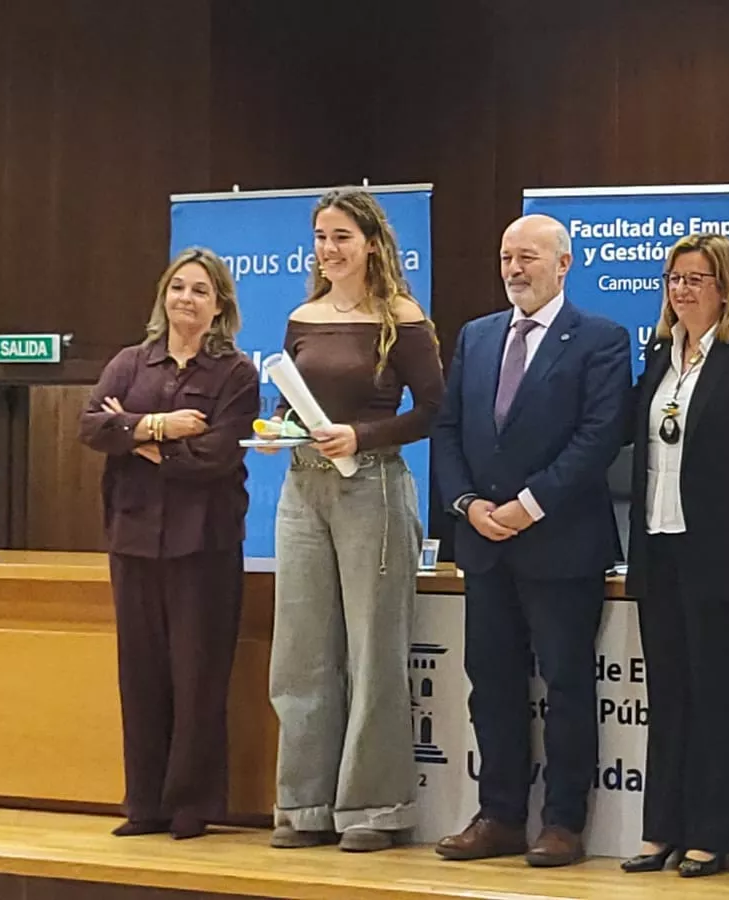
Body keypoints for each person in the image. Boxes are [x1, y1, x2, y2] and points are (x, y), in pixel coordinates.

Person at [429, 213, 631, 868]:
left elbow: (599, 436)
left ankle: (564, 822)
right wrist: (468, 506)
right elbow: (449, 428)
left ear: (564, 264)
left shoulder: (600, 338)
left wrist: (528, 506)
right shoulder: (478, 336)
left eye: (528, 257)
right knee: (491, 682)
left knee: (567, 684)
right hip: (485, 542)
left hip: (561, 542)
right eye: (506, 257)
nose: (514, 269)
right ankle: (500, 815)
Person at [266, 188, 445, 853]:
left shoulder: (400, 315)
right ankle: (305, 804)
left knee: (373, 650)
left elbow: (433, 409)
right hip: (302, 488)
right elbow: (291, 403)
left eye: (341, 236)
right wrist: (276, 431)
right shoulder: (302, 316)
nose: (328, 249)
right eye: (319, 237)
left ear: (370, 242)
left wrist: (362, 437)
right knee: (302, 651)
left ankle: (375, 806)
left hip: (372, 486)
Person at [618, 234, 729, 878]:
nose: (682, 289)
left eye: (696, 279)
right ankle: (660, 826)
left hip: (723, 549)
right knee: (666, 691)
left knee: (714, 689)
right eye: (673, 278)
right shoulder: (661, 353)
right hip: (659, 545)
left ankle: (712, 833)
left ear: (727, 286)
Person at [78, 247, 260, 840]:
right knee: (142, 674)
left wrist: (133, 433)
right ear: (164, 296)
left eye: (200, 291)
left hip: (203, 546)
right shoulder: (132, 363)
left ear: (219, 307)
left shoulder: (235, 373)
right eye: (178, 287)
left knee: (198, 675)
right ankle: (145, 804)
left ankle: (190, 805)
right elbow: (90, 426)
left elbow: (216, 454)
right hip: (134, 539)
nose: (187, 298)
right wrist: (157, 426)